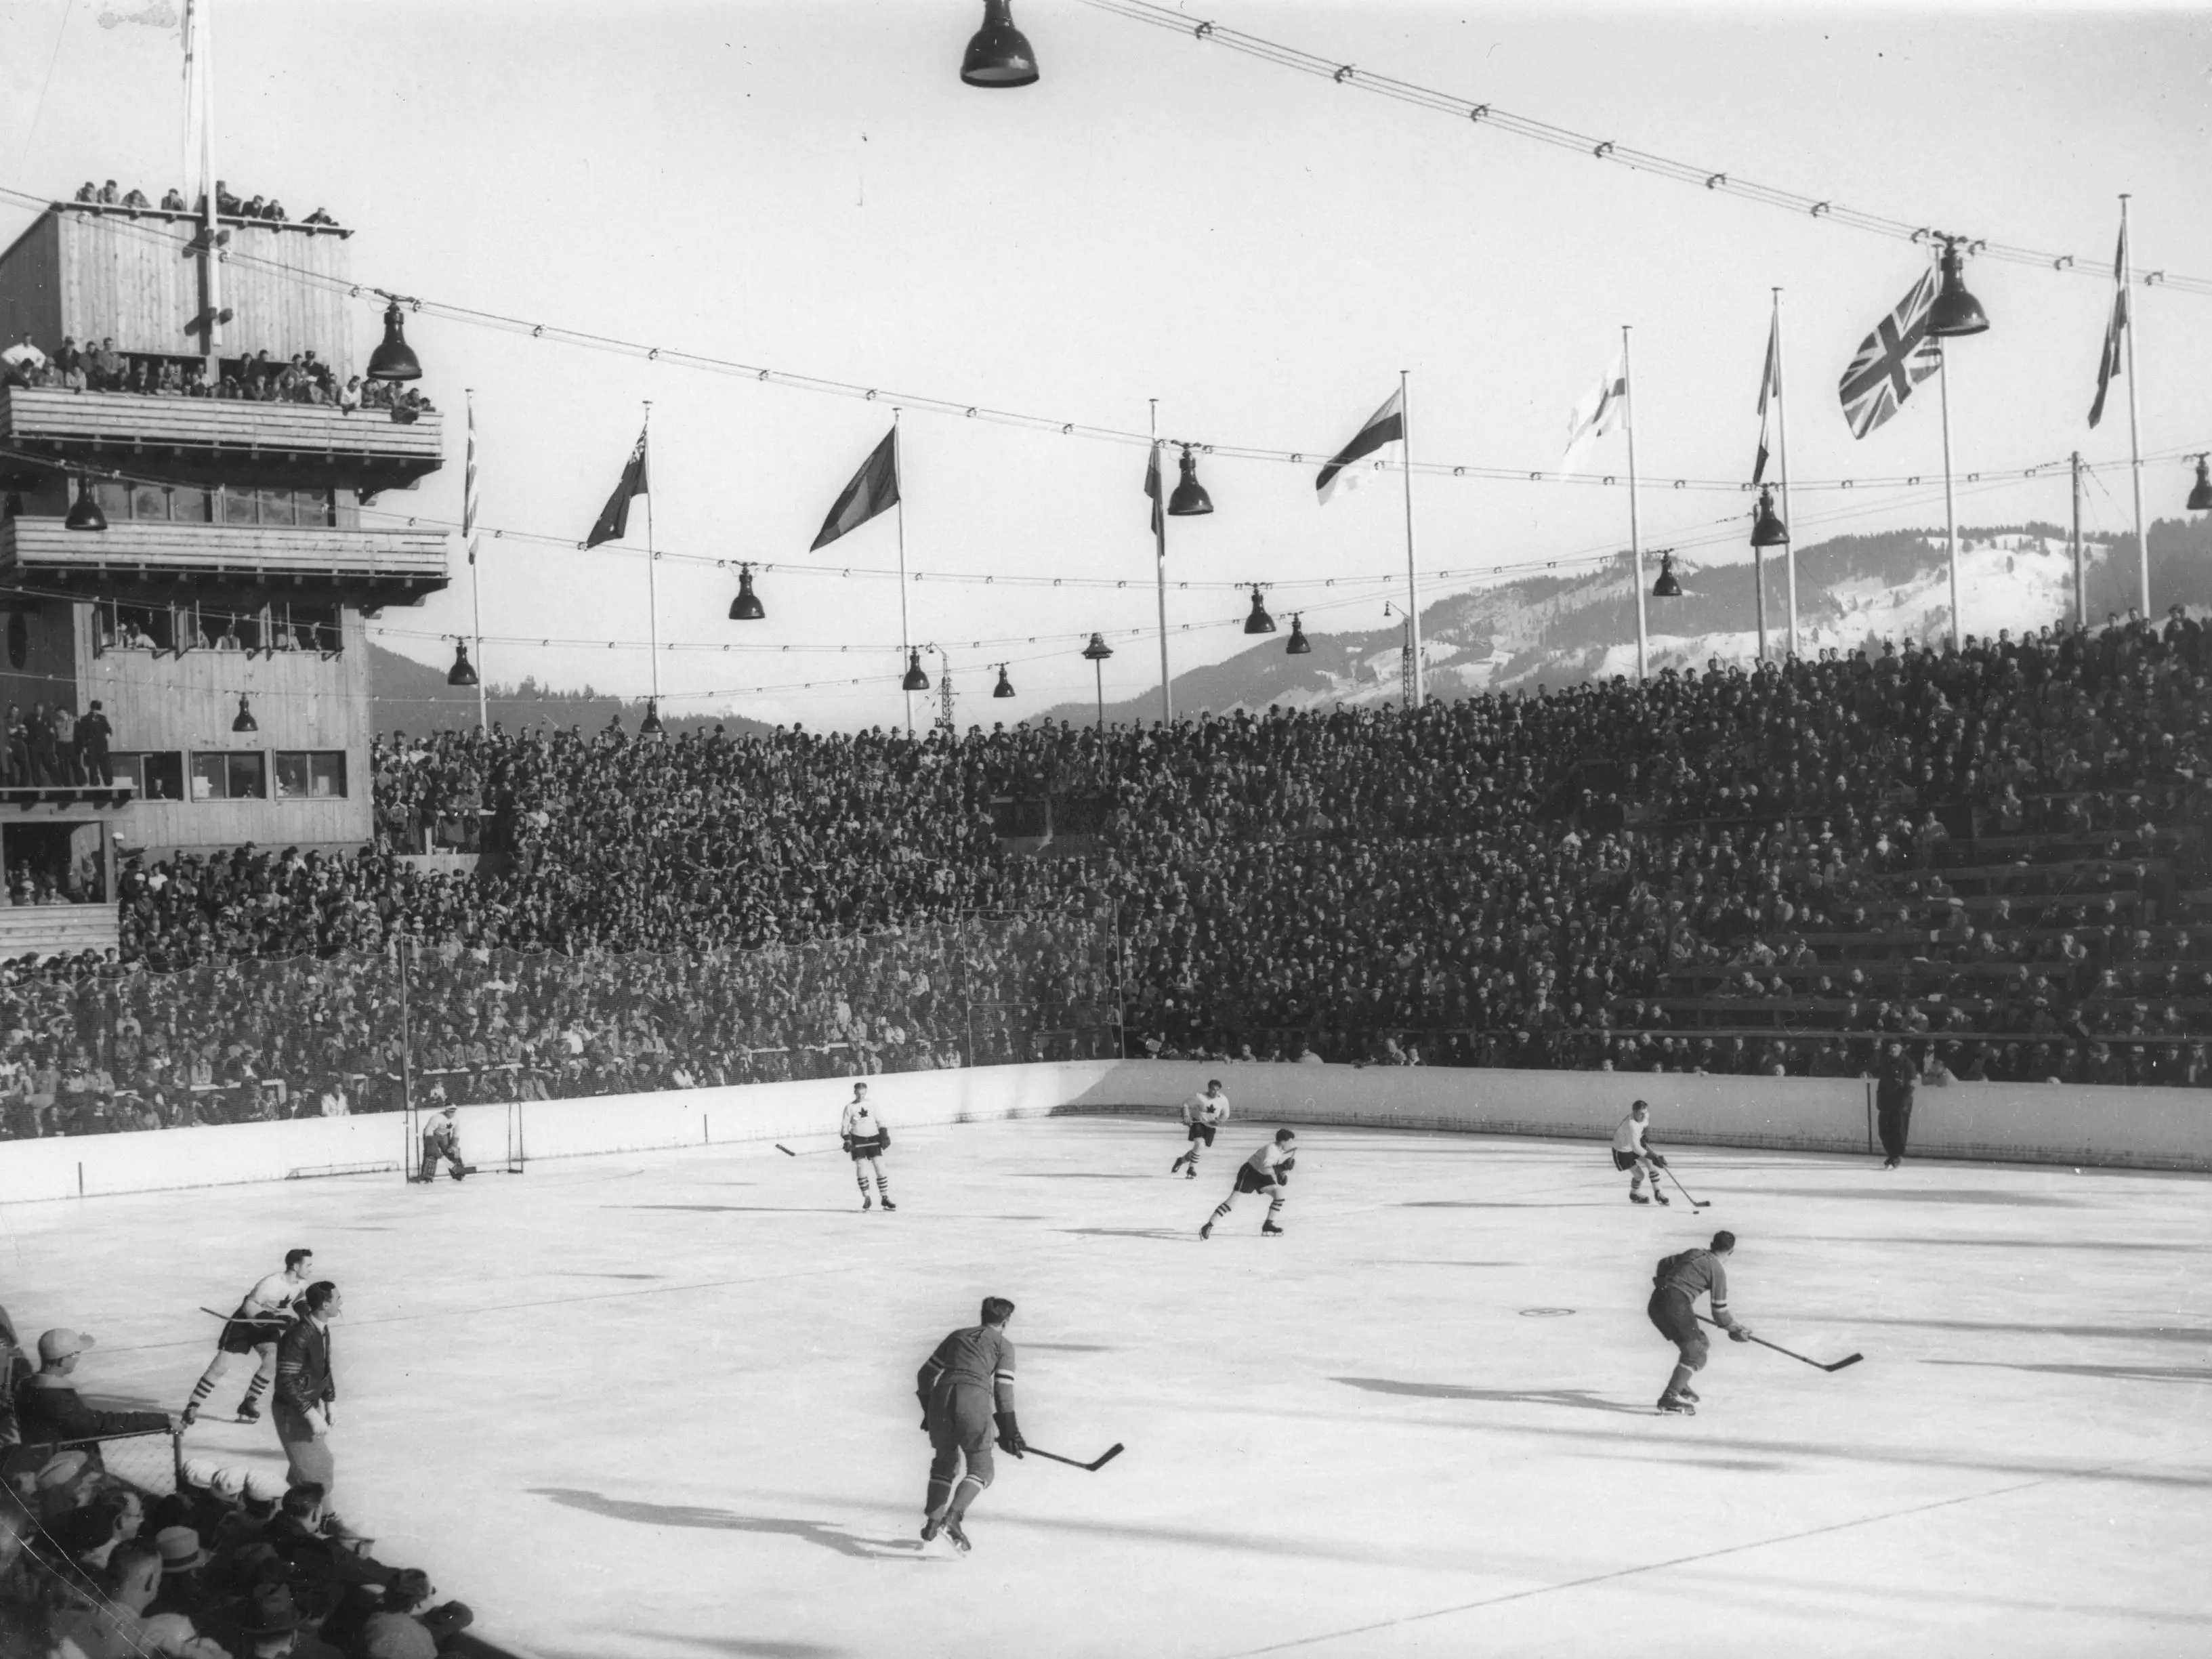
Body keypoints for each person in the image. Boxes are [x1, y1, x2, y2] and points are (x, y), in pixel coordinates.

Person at [914, 1296, 1023, 1554]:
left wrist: (929, 1413)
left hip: (941, 1398)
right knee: (982, 1468)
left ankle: (933, 1520)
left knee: (945, 1459)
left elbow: (925, 1374)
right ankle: (953, 1517)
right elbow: (1002, 1390)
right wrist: (1010, 1432)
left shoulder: (958, 1336)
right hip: (973, 1398)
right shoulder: (1004, 1345)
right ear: (1006, 1322)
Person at [182, 1247, 314, 1427]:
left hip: (267, 1327)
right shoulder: (271, 1283)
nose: (311, 1269)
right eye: (308, 1265)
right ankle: (193, 1405)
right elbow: (250, 1307)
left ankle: (249, 1402)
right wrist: (277, 1319)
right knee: (221, 1366)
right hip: (243, 1325)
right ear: (296, 1266)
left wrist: (306, 1317)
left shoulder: (301, 1284)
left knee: (273, 1361)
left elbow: (298, 1300)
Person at [1648, 1230, 1752, 1416]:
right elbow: (1720, 1312)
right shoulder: (1718, 1271)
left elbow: (1664, 1264)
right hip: (1676, 1306)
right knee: (1696, 1353)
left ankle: (1680, 1385)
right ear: (1731, 1252)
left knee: (1701, 1343)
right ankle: (1670, 1396)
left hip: (1657, 1302)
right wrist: (1734, 1329)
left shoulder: (1694, 1253)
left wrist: (1667, 1287)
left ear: (1712, 1244)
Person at [15, 1328, 172, 1445]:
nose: (78, 1359)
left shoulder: (27, 1386)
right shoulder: (56, 1399)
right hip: (68, 1475)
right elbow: (98, 1424)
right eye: (76, 1354)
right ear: (62, 1361)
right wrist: (160, 1420)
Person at [274, 1282, 345, 1527]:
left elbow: (324, 1369)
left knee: (303, 1471)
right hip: (292, 1410)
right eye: (338, 1299)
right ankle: (325, 1519)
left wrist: (330, 1401)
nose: (341, 1304)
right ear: (325, 1305)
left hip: (307, 1404)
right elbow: (285, 1381)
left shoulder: (321, 1328)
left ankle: (289, 1516)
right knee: (318, 1470)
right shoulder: (300, 1335)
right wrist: (310, 1414)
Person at [1200, 1128, 1296, 1240]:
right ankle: (1208, 1226)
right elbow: (1265, 1169)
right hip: (1250, 1173)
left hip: (1261, 1173)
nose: (1291, 1144)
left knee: (1279, 1194)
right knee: (1232, 1200)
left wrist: (1282, 1175)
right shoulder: (1271, 1150)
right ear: (1283, 1141)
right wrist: (1281, 1168)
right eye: (1290, 1141)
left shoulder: (1279, 1151)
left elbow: (1271, 1170)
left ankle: (1268, 1225)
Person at [839, 1081, 894, 1213]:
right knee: (861, 1166)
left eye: (863, 1094)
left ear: (866, 1092)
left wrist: (884, 1136)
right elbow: (845, 1126)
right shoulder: (850, 1107)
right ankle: (867, 1197)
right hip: (857, 1139)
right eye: (858, 1094)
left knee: (879, 1166)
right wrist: (847, 1140)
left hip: (873, 1137)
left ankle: (885, 1197)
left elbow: (880, 1121)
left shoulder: (872, 1104)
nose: (861, 1097)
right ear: (854, 1092)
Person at [1610, 1099, 1671, 1206]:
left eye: (1645, 1113)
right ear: (1634, 1113)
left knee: (1652, 1166)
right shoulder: (1630, 1124)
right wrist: (1654, 1157)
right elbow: (1636, 1148)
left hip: (1635, 1144)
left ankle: (1659, 1192)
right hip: (1623, 1151)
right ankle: (1634, 1194)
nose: (1644, 1116)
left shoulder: (1645, 1115)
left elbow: (1645, 1125)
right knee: (1640, 1176)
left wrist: (1644, 1135)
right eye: (1641, 1114)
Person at [1168, 1078, 1230, 1179]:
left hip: (1211, 1126)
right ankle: (1192, 1168)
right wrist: (1186, 1116)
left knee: (1198, 1148)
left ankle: (1181, 1160)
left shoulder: (1223, 1100)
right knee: (1200, 1144)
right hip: (1198, 1123)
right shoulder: (1200, 1097)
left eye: (1218, 1090)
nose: (1215, 1092)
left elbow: (1226, 1114)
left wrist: (1219, 1121)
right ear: (1209, 1089)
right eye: (1213, 1089)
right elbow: (1186, 1105)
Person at [1875, 1038, 1917, 1169]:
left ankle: (1898, 1155)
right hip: (1886, 1101)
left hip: (1901, 1102)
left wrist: (1903, 1102)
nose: (1893, 1050)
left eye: (1896, 1047)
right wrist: (1880, 1100)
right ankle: (1892, 1154)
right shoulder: (1885, 1061)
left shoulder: (1907, 1063)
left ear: (1901, 1048)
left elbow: (1910, 1085)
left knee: (1898, 1129)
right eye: (1892, 1047)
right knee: (1884, 1130)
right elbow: (1880, 1080)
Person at [417, 1104, 465, 1182]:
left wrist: (453, 1146)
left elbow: (456, 1133)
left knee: (452, 1152)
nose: (452, 1114)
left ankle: (458, 1173)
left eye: (454, 1112)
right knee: (432, 1155)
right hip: (433, 1135)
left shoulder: (456, 1119)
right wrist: (432, 1146)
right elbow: (428, 1131)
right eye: (450, 1112)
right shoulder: (437, 1118)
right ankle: (427, 1177)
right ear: (446, 1111)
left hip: (445, 1135)